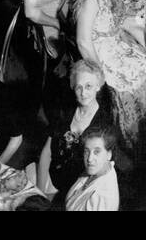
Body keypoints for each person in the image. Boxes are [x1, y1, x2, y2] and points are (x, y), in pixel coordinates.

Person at [72, 0, 146, 150]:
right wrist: (99, 75)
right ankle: (136, 139)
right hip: (103, 56)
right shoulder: (89, 1)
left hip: (114, 44)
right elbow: (83, 42)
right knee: (139, 77)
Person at [37, 60, 116, 200]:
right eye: (79, 87)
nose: (83, 93)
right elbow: (47, 151)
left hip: (78, 189)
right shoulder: (64, 110)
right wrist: (40, 191)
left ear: (98, 86)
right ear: (73, 87)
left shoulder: (104, 122)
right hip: (51, 178)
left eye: (88, 86)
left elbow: (97, 172)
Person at [65, 127, 121, 212]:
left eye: (97, 152)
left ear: (109, 154)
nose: (90, 159)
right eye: (86, 151)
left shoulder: (103, 196)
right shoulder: (96, 170)